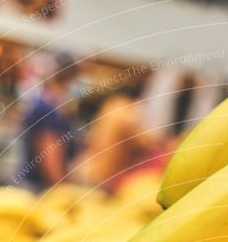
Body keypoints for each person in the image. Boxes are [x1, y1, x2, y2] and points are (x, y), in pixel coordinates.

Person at [72, 82, 155, 193]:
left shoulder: (111, 105)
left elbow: (93, 135)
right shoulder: (129, 111)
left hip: (88, 167)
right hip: (108, 175)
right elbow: (144, 143)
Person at [17, 53, 78, 191]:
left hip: (29, 180)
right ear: (69, 78)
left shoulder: (41, 103)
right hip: (40, 186)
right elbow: (49, 155)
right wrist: (61, 189)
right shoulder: (48, 109)